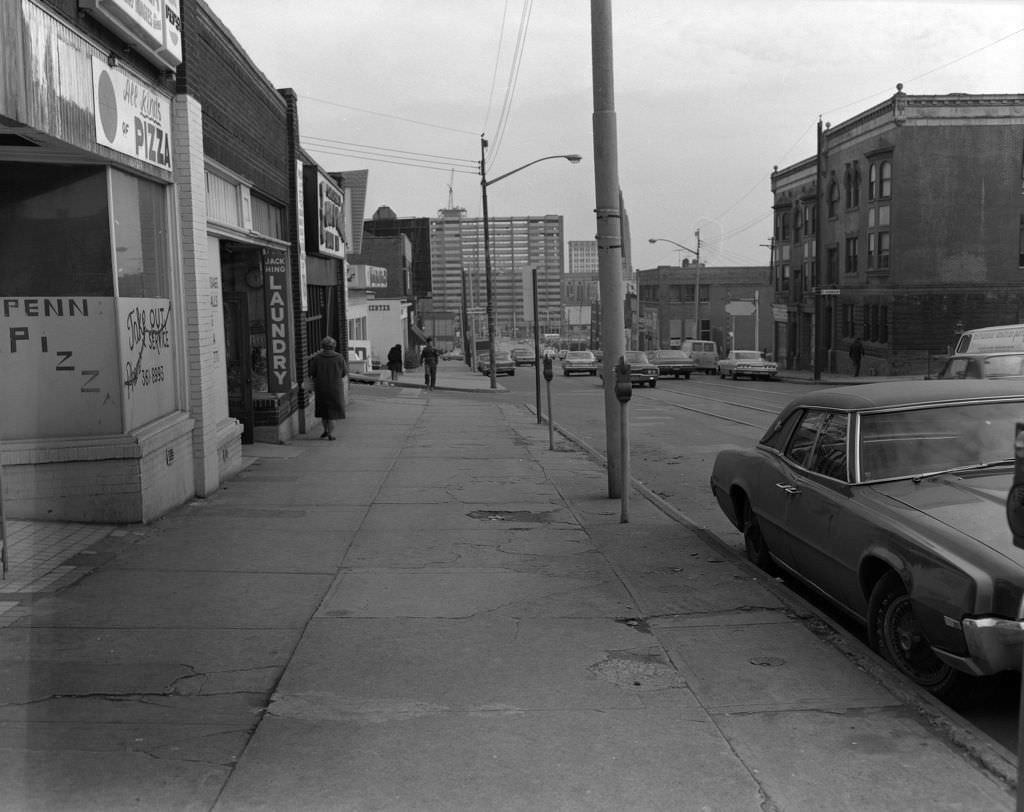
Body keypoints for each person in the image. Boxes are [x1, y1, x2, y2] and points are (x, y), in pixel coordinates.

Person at [308, 336, 347, 440]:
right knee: (332, 413)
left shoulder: (317, 358)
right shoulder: (339, 357)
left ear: (322, 346)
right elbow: (344, 373)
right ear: (334, 346)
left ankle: (325, 430)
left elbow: (312, 373)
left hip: (321, 387)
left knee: (324, 412)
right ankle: (330, 433)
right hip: (335, 388)